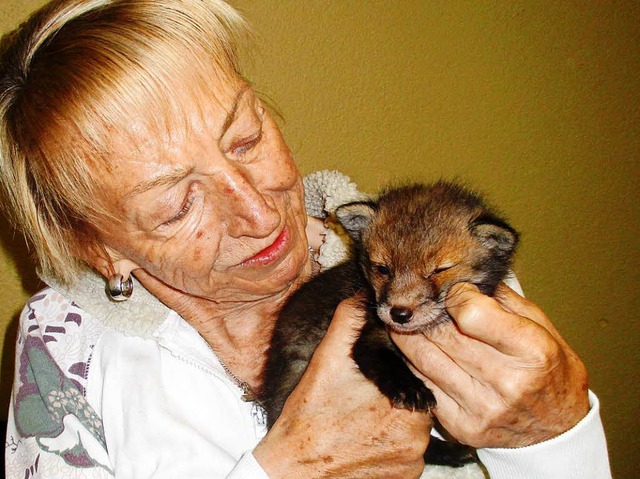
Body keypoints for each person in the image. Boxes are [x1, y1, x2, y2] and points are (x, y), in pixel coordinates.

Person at [0, 1, 610, 478]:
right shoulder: (69, 352)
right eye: (177, 205)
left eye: (245, 139)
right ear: (99, 248)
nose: (260, 213)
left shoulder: (421, 260)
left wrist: (557, 435)